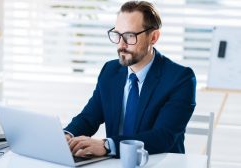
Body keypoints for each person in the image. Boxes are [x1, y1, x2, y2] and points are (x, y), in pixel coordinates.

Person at [64, 0, 196, 158]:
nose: (121, 44)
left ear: (153, 37)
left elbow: (163, 137)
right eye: (117, 35)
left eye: (129, 36)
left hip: (158, 162)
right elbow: (89, 117)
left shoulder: (180, 79)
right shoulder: (110, 71)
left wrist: (107, 145)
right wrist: (67, 135)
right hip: (114, 163)